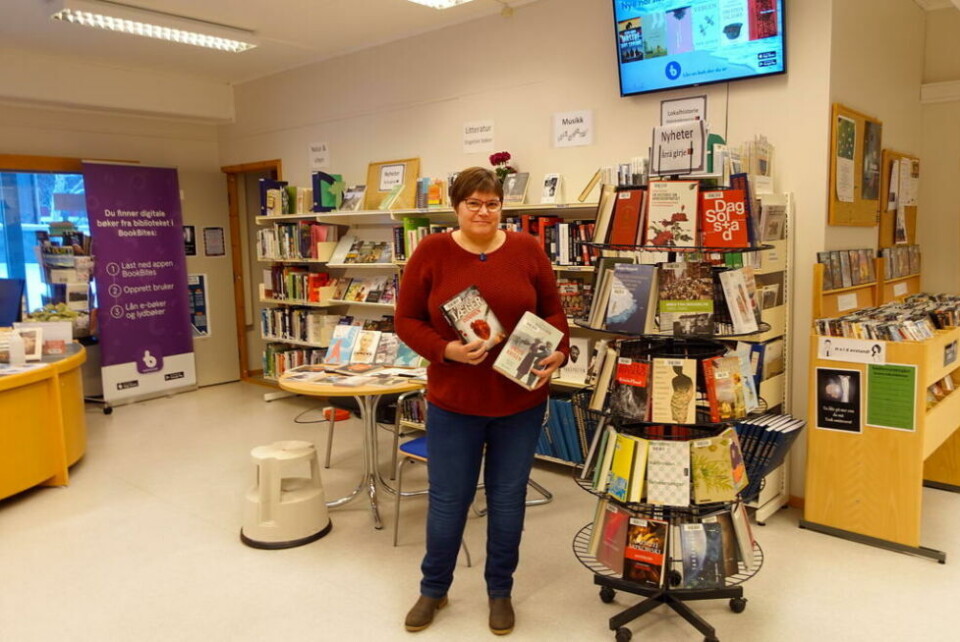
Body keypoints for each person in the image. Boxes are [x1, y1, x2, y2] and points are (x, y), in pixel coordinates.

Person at [395, 166, 569, 636]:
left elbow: (553, 310)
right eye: (473, 203)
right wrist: (446, 350)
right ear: (456, 206)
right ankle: (434, 588)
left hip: (520, 401)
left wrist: (560, 351)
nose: (483, 212)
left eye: (492, 203)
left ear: (502, 207)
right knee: (448, 501)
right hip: (455, 402)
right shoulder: (431, 252)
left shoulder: (527, 249)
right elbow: (406, 320)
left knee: (508, 501)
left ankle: (500, 591)